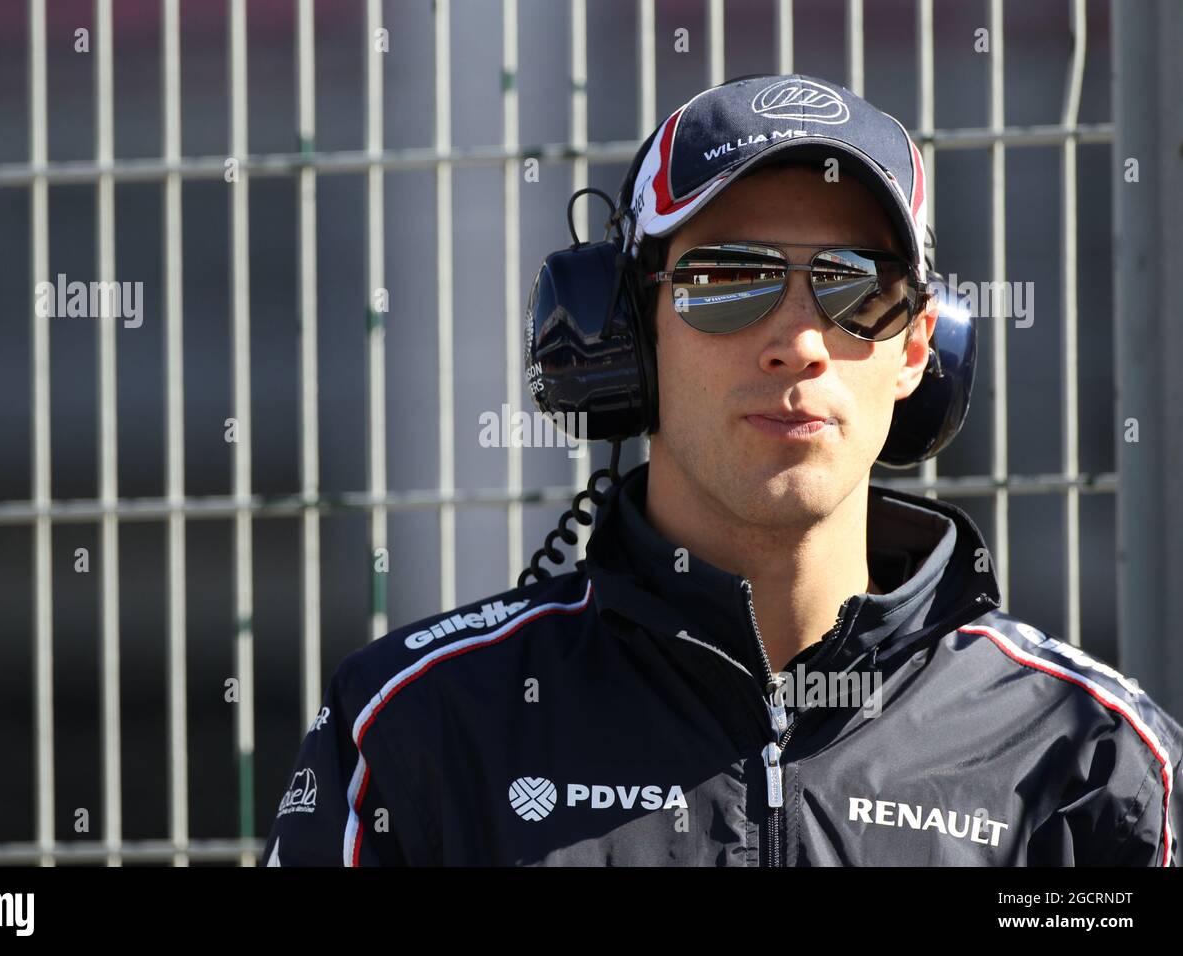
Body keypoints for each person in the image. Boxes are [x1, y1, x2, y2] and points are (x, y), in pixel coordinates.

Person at [263, 73, 1182, 866]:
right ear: (625, 336)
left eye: (857, 285)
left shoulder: (1087, 758)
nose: (798, 342)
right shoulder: (422, 731)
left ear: (917, 350)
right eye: (727, 279)